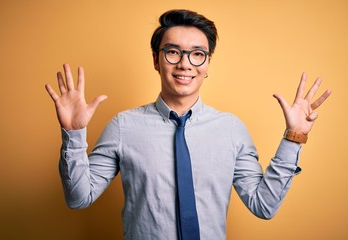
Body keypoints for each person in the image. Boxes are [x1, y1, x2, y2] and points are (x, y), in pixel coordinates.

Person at [45, 9, 331, 240]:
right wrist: (73, 133)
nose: (185, 64)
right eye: (172, 52)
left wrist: (294, 138)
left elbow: (264, 206)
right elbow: (79, 198)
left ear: (207, 64)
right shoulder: (123, 126)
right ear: (156, 60)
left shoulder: (231, 129)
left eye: (197, 54)